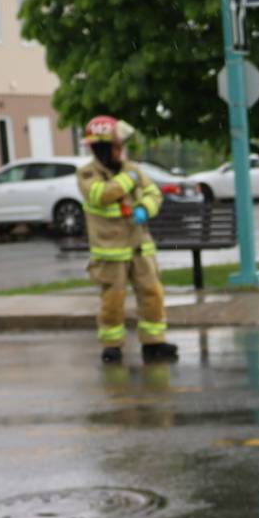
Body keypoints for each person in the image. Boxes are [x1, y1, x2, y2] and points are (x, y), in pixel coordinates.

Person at [75, 116, 175, 366]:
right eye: (116, 146)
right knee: (113, 301)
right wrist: (128, 180)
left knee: (152, 293)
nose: (121, 151)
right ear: (103, 148)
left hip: (140, 246)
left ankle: (154, 342)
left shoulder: (132, 168)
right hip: (110, 252)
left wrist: (145, 208)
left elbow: (153, 193)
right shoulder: (87, 173)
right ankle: (112, 346)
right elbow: (101, 194)